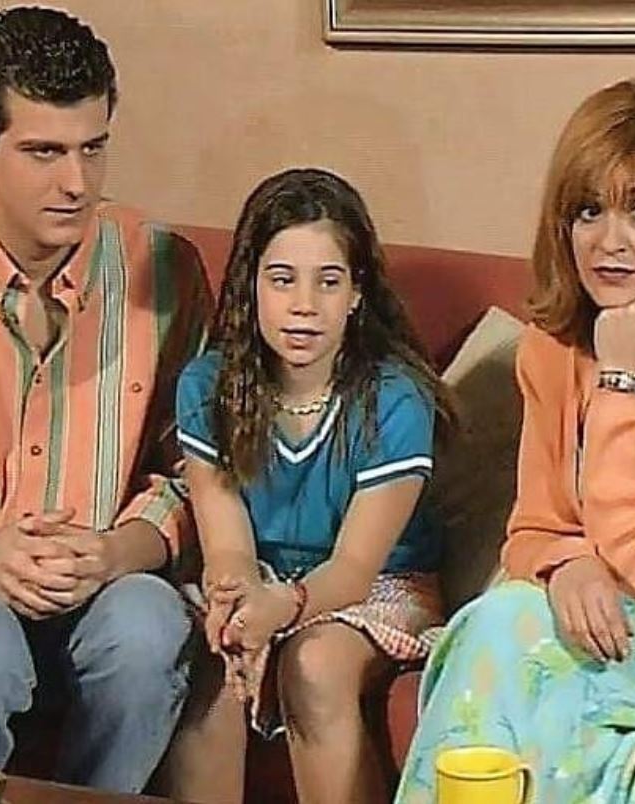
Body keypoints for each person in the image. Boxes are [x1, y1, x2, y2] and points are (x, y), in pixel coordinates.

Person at [0, 6, 211, 794]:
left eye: (91, 149)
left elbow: (196, 472)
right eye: (43, 152)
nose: (76, 184)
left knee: (148, 624)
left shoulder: (164, 269)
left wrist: (116, 551)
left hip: (99, 585)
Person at [396, 78, 635, 804]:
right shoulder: (548, 350)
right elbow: (531, 532)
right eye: (587, 211)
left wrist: (623, 383)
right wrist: (567, 565)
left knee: (504, 633)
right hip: (601, 618)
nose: (609, 242)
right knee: (521, 658)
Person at [166, 167, 446, 804]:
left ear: (357, 293)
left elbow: (352, 570)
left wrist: (282, 607)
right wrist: (235, 597)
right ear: (251, 285)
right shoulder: (207, 386)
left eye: (328, 281)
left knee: (313, 664)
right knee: (209, 653)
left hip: (377, 586)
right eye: (282, 279)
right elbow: (226, 543)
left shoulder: (395, 400)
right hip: (263, 571)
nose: (304, 305)